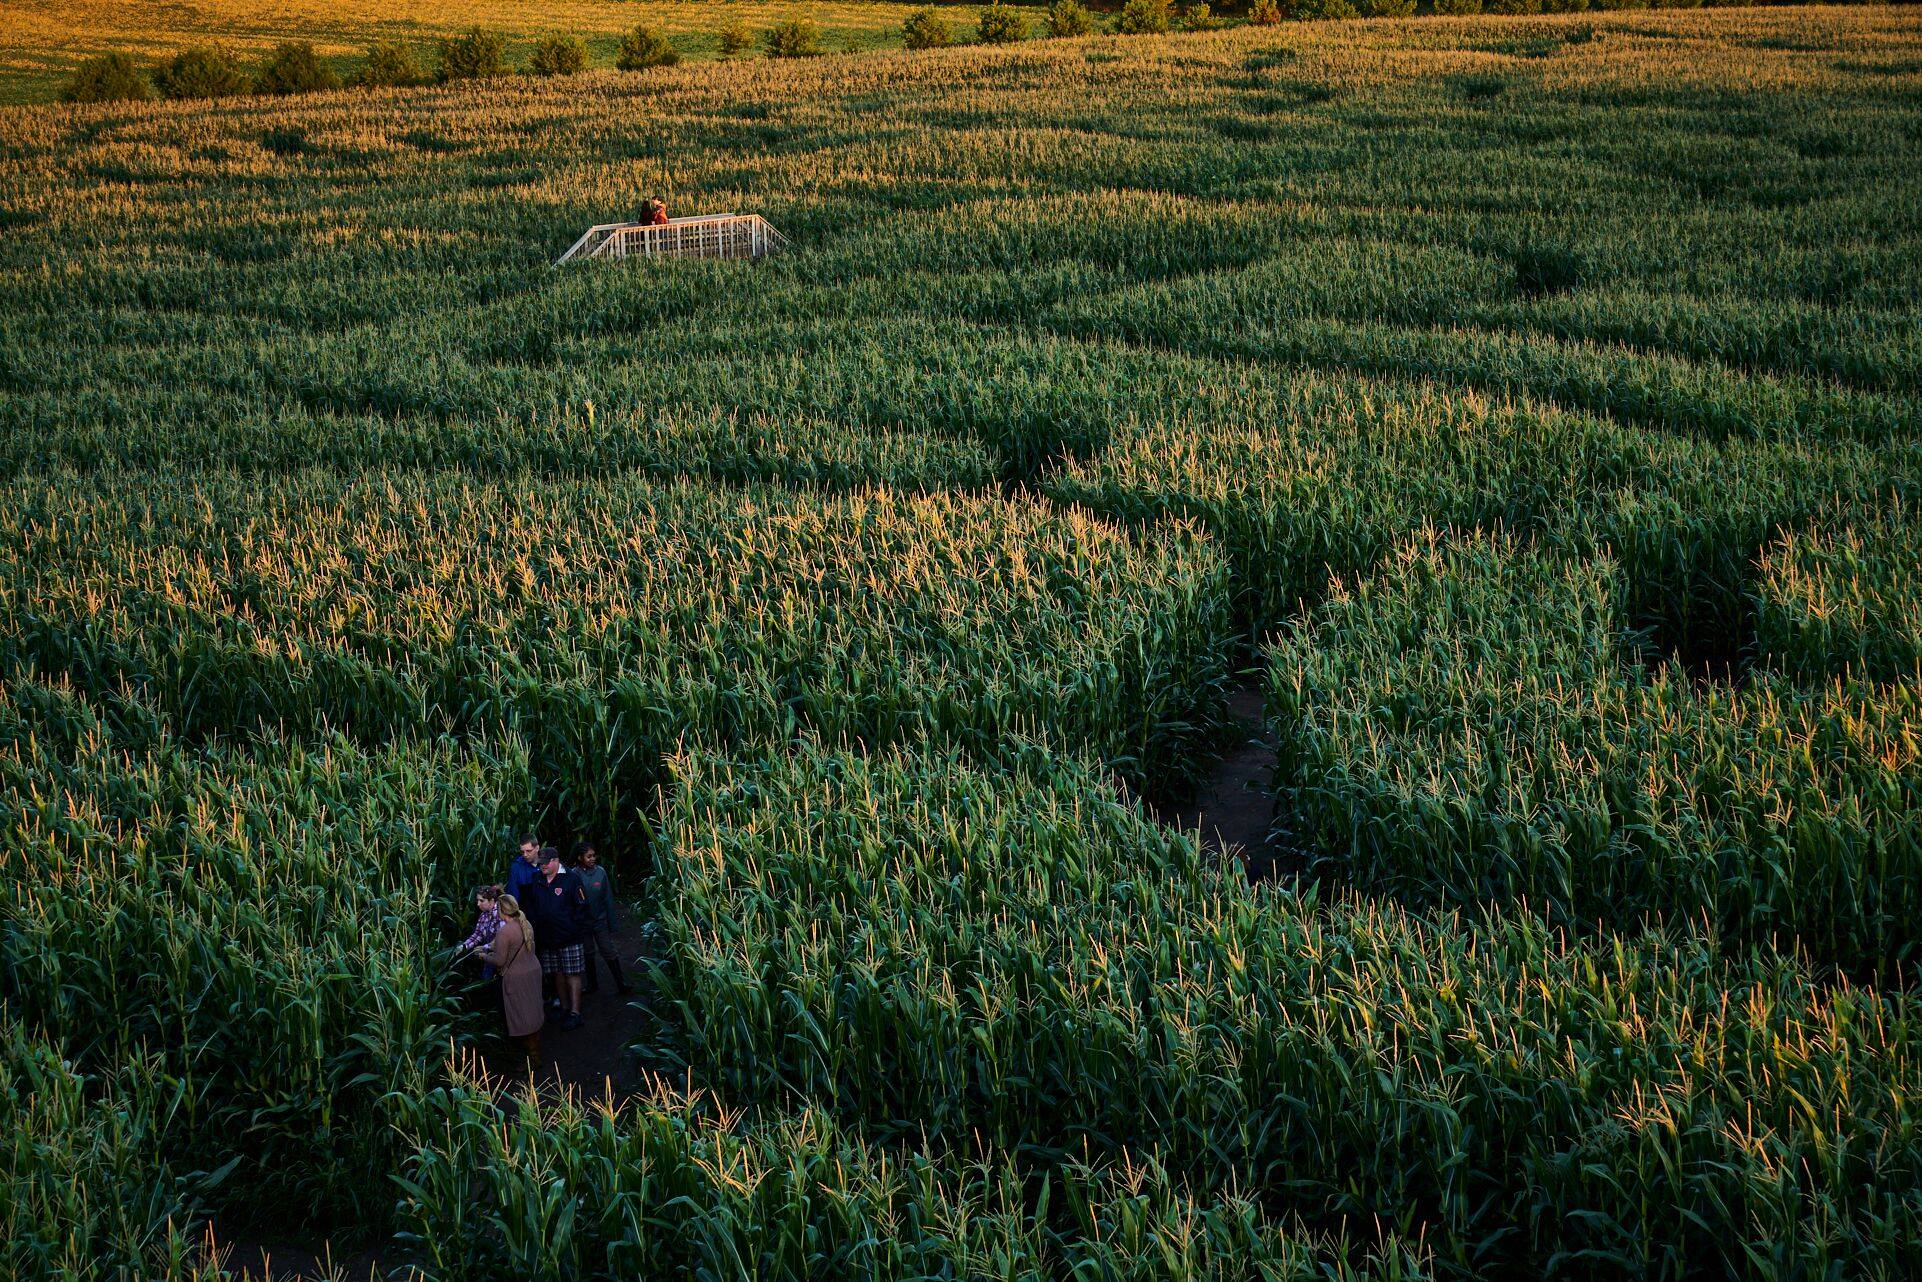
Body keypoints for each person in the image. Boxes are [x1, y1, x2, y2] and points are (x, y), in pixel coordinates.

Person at [524, 847, 590, 1030]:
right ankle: (564, 1007)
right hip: (547, 937)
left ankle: (576, 1013)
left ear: (556, 861)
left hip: (569, 937)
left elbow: (582, 907)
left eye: (545, 863)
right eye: (540, 864)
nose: (542, 866)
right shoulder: (537, 878)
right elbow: (532, 904)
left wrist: (573, 927)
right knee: (557, 973)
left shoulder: (571, 879)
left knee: (572, 973)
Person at [478, 894, 543, 1057]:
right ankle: (536, 1052)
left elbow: (500, 961)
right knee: (532, 1011)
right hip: (533, 971)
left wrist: (483, 956)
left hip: (516, 978)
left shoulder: (504, 932)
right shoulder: (525, 924)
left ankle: (527, 1057)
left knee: (520, 1015)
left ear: (501, 911)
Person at [574, 841, 629, 996]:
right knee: (588, 952)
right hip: (583, 923)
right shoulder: (574, 875)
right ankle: (592, 984)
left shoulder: (601, 872)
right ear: (580, 858)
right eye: (588, 856)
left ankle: (621, 983)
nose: (592, 859)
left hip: (600, 921)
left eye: (593, 855)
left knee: (608, 950)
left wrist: (612, 924)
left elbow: (608, 899)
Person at [457, 884, 505, 977]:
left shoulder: (500, 915)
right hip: (489, 958)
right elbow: (477, 935)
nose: (478, 904)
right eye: (477, 900)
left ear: (491, 901)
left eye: (482, 901)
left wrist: (484, 948)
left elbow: (501, 941)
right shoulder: (484, 915)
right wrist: (463, 947)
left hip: (499, 959)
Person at [506, 834, 542, 904]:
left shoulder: (548, 863)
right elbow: (513, 895)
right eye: (522, 852)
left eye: (529, 851)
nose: (525, 855)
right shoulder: (516, 866)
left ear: (537, 848)